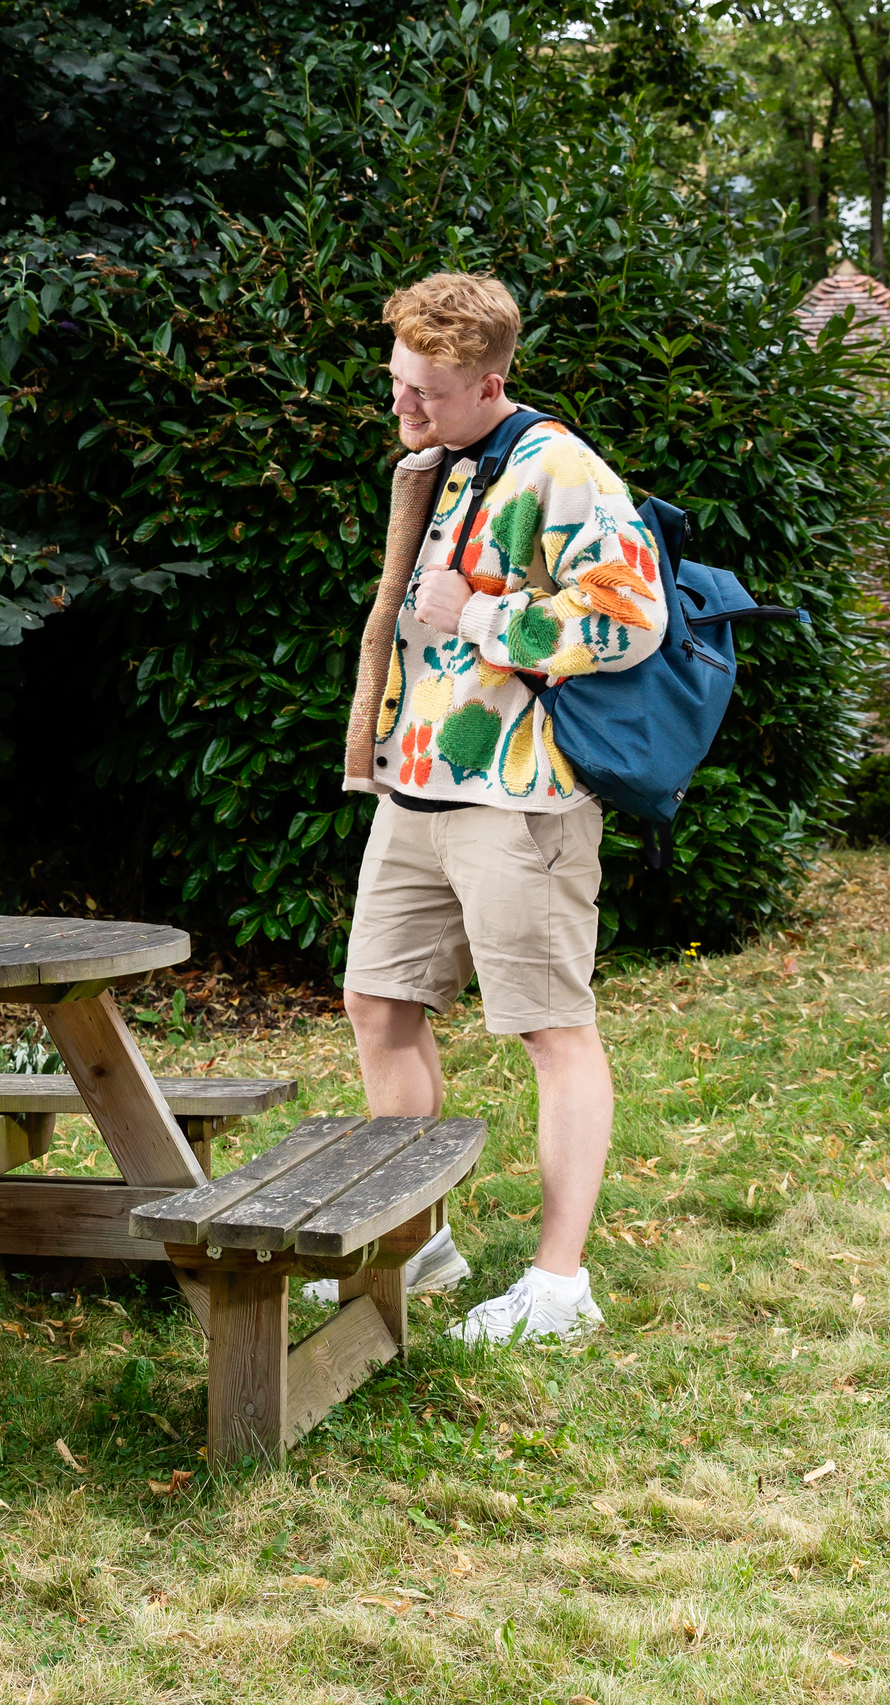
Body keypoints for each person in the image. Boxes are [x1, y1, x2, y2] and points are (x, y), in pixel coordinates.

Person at [335, 272, 669, 1347]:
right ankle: (417, 1239)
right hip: (419, 784)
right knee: (378, 1007)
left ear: (491, 382)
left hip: (520, 799)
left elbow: (631, 618)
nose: (402, 409)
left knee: (551, 1031)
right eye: (397, 383)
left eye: (425, 392)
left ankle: (558, 1286)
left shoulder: (559, 468)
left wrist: (488, 614)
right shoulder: (441, 461)